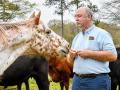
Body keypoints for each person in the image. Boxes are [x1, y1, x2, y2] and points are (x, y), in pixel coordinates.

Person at [67, 6, 117, 90]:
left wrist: (90, 54)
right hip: (77, 81)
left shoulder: (102, 34)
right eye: (75, 16)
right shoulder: (77, 37)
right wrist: (71, 56)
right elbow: (69, 61)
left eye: (79, 16)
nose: (76, 19)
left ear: (89, 17)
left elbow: (113, 56)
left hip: (97, 81)